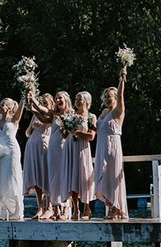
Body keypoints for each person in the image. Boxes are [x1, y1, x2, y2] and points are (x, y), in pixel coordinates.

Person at [94, 67, 129, 220]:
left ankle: (116, 208)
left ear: (115, 98)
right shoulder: (103, 113)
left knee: (113, 175)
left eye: (111, 97)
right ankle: (113, 207)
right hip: (101, 147)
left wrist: (122, 78)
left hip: (113, 147)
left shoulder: (117, 111)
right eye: (106, 97)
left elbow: (121, 95)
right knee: (102, 176)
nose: (108, 99)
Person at [0, 97, 26, 220]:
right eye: (0, 104)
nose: (0, 106)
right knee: (0, 179)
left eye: (3, 104)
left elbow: (20, 110)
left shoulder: (14, 119)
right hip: (0, 152)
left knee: (12, 178)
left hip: (12, 151)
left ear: (9, 107)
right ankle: (2, 212)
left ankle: (16, 212)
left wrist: (24, 96)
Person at [64, 91, 97, 220]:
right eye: (76, 99)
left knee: (84, 176)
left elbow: (92, 136)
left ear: (86, 102)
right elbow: (65, 134)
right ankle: (75, 209)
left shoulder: (91, 117)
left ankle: (86, 208)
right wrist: (65, 130)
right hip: (71, 147)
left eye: (80, 100)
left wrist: (78, 132)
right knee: (73, 177)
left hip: (83, 148)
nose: (77, 102)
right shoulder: (70, 115)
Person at [22, 91, 54, 219]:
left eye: (46, 103)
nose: (43, 104)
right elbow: (27, 133)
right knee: (36, 177)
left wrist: (35, 111)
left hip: (44, 145)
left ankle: (49, 207)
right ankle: (40, 207)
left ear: (50, 104)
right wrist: (32, 127)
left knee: (46, 175)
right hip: (32, 146)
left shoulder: (51, 114)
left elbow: (47, 122)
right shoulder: (35, 116)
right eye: (42, 102)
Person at [46, 91, 72, 220]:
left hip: (64, 148)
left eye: (60, 98)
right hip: (52, 148)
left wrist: (66, 130)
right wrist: (32, 100)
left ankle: (66, 208)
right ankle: (55, 207)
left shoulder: (71, 115)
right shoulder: (54, 115)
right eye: (56, 98)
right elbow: (43, 110)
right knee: (53, 177)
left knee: (64, 177)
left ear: (66, 99)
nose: (57, 100)